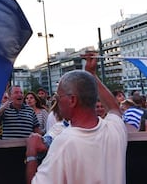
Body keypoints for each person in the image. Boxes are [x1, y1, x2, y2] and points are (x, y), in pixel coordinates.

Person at [25, 53, 127, 184]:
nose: (57, 101)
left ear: (72, 100)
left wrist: (31, 154)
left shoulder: (64, 143)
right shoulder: (115, 129)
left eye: (58, 96)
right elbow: (114, 108)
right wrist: (92, 74)